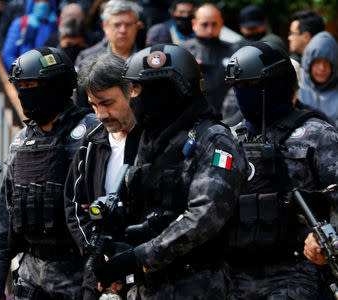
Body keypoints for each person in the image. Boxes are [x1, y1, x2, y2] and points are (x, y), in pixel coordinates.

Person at [88, 44, 248, 299]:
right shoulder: (148, 140)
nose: (133, 97)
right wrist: (118, 250)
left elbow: (205, 216)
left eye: (139, 89)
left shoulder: (214, 140)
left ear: (168, 90)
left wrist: (138, 256)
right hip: (147, 286)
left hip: (195, 286)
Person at [224, 41, 338, 299]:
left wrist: (323, 241)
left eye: (252, 85)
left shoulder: (318, 135)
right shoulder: (227, 139)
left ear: (277, 84)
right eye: (239, 87)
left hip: (297, 273)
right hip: (234, 276)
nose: (243, 93)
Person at [0, 47, 98, 300]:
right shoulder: (22, 141)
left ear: (58, 85)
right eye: (20, 86)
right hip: (30, 278)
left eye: (31, 85)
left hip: (76, 277)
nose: (25, 93)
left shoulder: (92, 131)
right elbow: (4, 219)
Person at [64, 52, 140, 299]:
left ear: (131, 90)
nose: (101, 114)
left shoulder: (152, 139)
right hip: (98, 276)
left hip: (143, 273)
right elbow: (73, 204)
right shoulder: (92, 140)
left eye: (107, 103)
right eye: (94, 105)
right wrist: (99, 257)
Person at [73, 0, 142, 108]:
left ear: (137, 26)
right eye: (117, 25)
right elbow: (80, 105)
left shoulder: (147, 59)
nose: (123, 30)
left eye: (128, 24)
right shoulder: (87, 58)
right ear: (105, 27)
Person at [180, 3, 239, 114]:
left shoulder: (234, 52)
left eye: (214, 24)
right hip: (193, 119)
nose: (210, 30)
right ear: (194, 24)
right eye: (204, 24)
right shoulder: (182, 52)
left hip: (227, 118)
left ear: (221, 23)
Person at [1, 0, 58, 69]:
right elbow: (8, 54)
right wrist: (20, 71)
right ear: (31, 3)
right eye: (37, 1)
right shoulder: (20, 23)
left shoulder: (56, 25)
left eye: (46, 0)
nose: (42, 3)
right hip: (24, 71)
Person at [299, 31, 338, 128]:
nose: (322, 68)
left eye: (327, 63)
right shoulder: (297, 85)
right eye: (317, 62)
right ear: (309, 63)